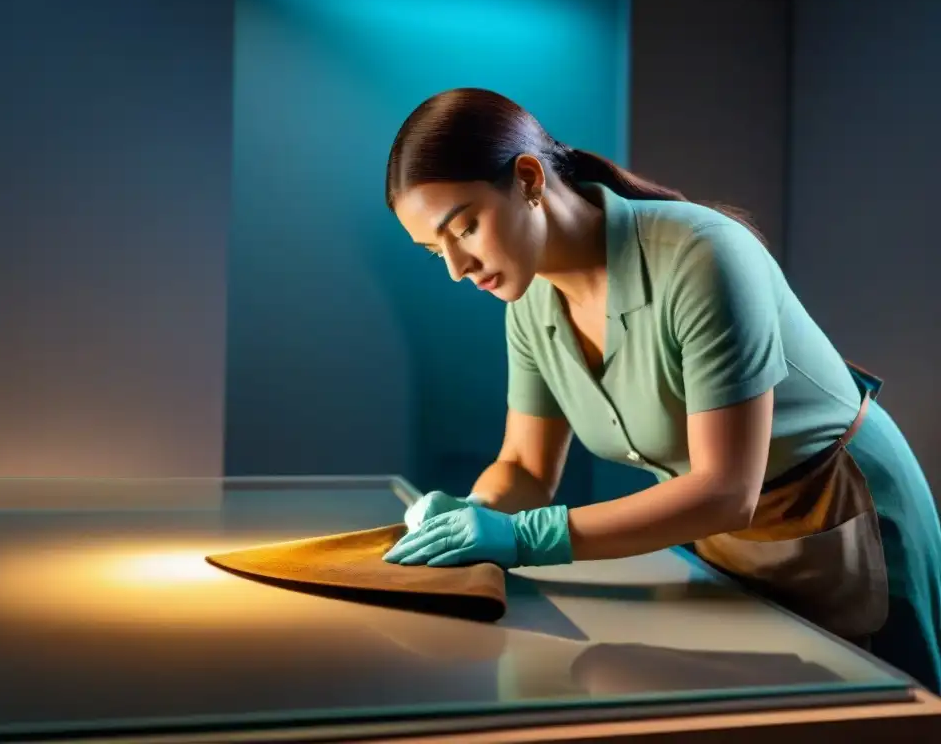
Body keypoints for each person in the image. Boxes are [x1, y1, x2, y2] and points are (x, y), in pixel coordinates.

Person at [379, 87, 941, 693]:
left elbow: (726, 489)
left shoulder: (703, 255)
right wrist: (475, 515)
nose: (457, 268)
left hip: (839, 513)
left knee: (876, 714)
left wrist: (522, 538)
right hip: (720, 539)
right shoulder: (529, 303)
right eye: (436, 250)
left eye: (464, 228)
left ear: (528, 179)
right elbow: (523, 466)